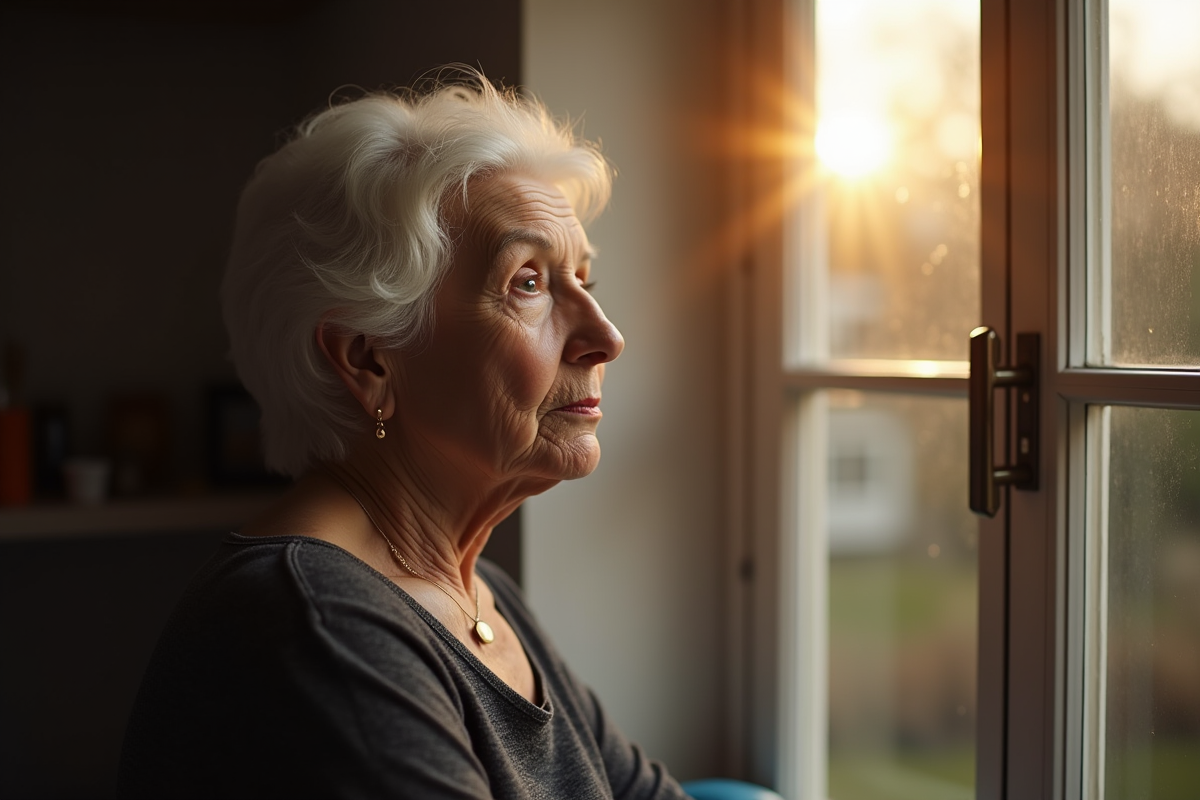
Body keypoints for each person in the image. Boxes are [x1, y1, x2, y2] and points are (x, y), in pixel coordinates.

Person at [118, 71, 689, 799]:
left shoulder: (481, 598)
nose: (605, 338)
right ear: (368, 358)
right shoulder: (321, 625)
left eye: (584, 279)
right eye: (529, 283)